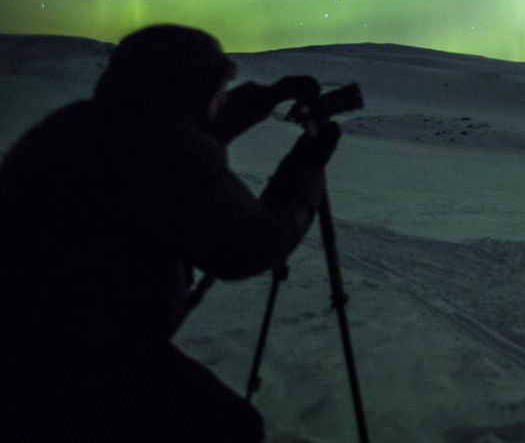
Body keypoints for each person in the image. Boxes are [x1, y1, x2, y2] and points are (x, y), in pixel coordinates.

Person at [0, 24, 341, 443]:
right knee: (232, 429)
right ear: (190, 88)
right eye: (216, 89)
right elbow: (253, 244)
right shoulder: (164, 150)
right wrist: (308, 162)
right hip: (75, 360)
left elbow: (192, 124)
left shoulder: (92, 124)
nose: (220, 100)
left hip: (31, 337)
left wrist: (270, 95)